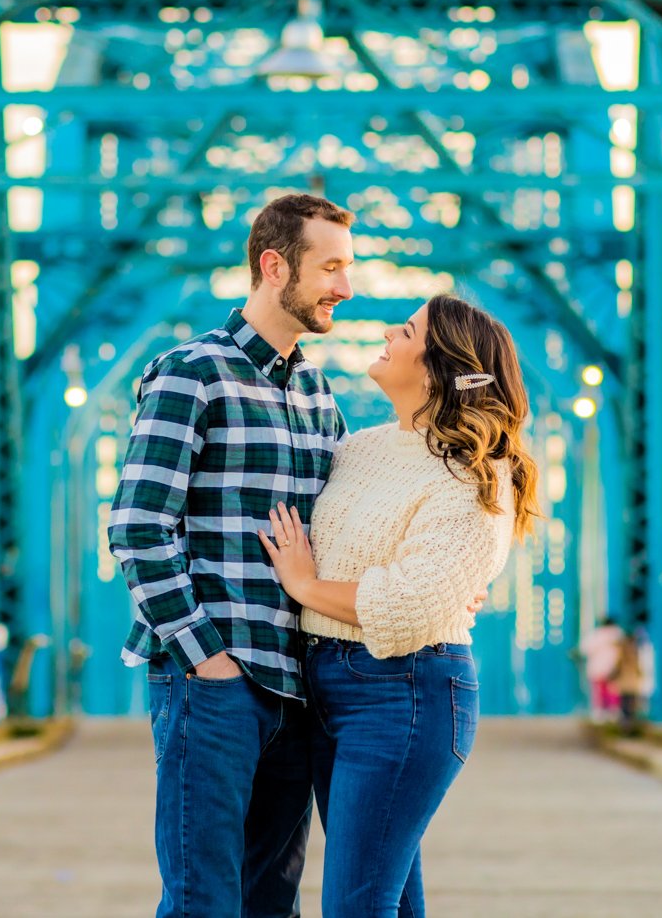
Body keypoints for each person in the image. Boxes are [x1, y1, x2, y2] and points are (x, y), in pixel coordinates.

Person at [108, 192, 356, 918]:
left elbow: (343, 527)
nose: (347, 287)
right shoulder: (192, 372)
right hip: (217, 682)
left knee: (271, 900)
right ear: (273, 265)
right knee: (202, 901)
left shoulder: (317, 392)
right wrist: (205, 660)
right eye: (332, 266)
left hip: (297, 686)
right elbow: (138, 524)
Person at [260, 294, 538, 918]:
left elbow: (410, 605)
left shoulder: (473, 476)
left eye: (408, 330)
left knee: (357, 903)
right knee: (382, 897)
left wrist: (306, 589)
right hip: (327, 685)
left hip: (404, 694)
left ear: (439, 365)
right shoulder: (361, 448)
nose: (389, 330)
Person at [580, 618, 627, 720]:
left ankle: (599, 712)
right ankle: (614, 711)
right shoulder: (619, 634)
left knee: (599, 691)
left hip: (598, 667)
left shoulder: (596, 635)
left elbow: (584, 649)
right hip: (614, 667)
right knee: (613, 690)